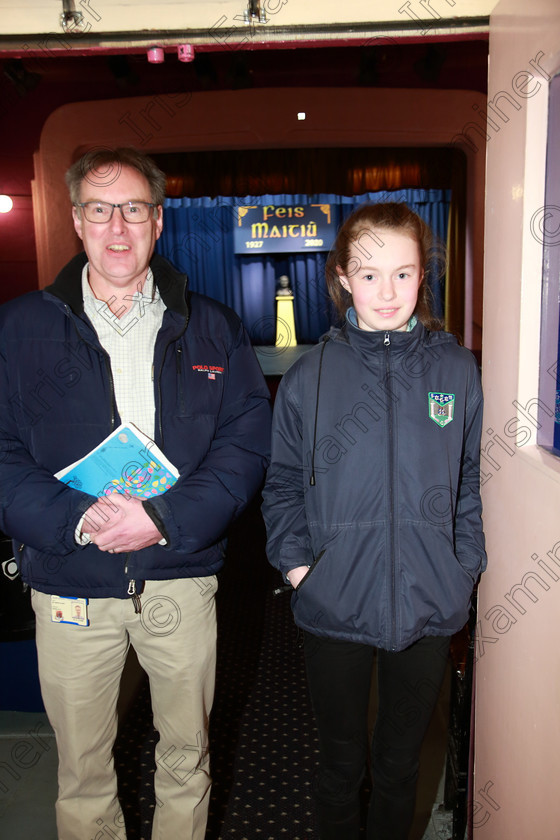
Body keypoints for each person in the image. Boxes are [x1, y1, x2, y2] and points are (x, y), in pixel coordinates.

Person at [0, 147, 271, 840]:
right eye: (99, 209)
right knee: (82, 772)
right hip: (69, 583)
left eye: (133, 209)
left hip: (178, 578)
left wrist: (164, 519)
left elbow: (243, 446)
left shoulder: (214, 327)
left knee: (188, 758)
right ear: (76, 220)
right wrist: (78, 521)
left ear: (158, 219)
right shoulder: (19, 329)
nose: (117, 227)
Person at [262, 202, 486, 840]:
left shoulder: (456, 369)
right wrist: (302, 568)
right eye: (368, 275)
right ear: (341, 279)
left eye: (403, 274)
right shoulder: (309, 377)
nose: (386, 292)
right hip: (332, 605)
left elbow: (471, 478)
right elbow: (280, 485)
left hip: (428, 606)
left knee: (398, 764)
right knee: (340, 764)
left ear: (424, 277)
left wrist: (461, 567)